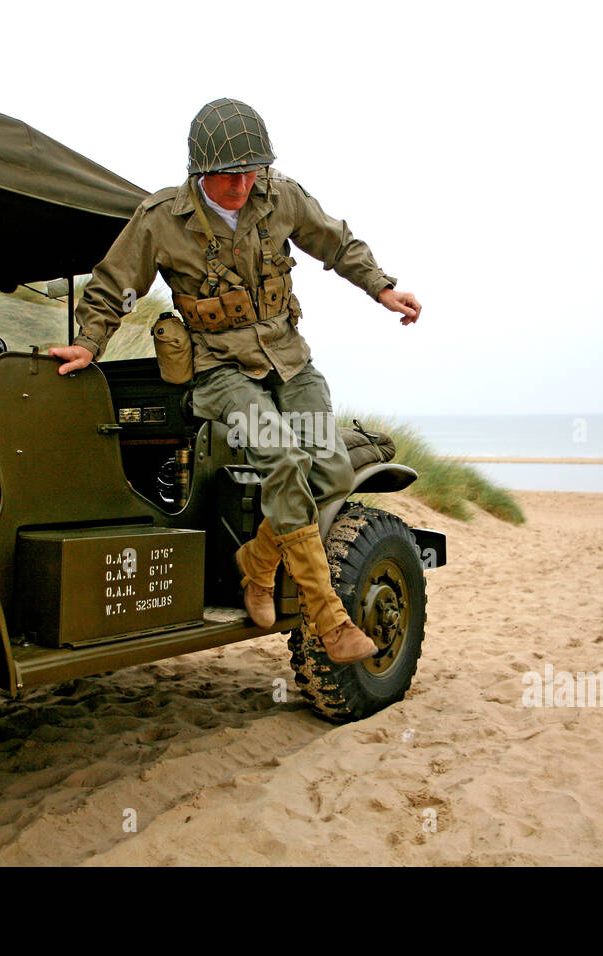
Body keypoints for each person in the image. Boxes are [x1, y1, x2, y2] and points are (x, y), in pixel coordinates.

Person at [49, 98, 421, 664]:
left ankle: (258, 562)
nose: (243, 185)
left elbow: (336, 242)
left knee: (331, 468)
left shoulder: (280, 195)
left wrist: (382, 287)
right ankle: (330, 619)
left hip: (289, 361)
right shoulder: (161, 221)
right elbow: (114, 283)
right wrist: (90, 341)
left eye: (252, 172)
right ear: (200, 173)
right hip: (220, 372)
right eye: (230, 176)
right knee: (282, 459)